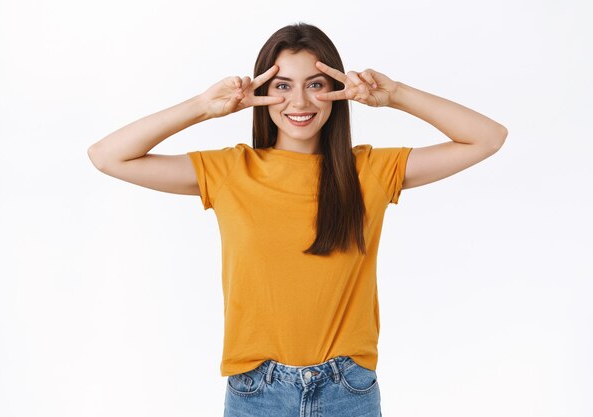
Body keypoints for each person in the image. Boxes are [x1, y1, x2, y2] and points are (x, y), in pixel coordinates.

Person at [87, 22, 507, 417]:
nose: (300, 102)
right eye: (282, 86)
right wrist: (202, 107)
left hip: (348, 391)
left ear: (336, 90)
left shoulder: (370, 172)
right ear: (261, 92)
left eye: (316, 85)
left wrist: (394, 94)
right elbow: (107, 156)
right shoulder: (232, 171)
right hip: (256, 392)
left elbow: (488, 137)